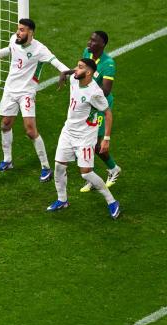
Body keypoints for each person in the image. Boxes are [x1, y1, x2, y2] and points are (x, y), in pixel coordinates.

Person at [0, 19, 70, 182]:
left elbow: (56, 62)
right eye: (18, 29)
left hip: (26, 92)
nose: (18, 33)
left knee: (30, 130)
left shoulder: (40, 49)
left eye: (22, 30)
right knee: (5, 124)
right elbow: (9, 49)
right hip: (10, 90)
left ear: (31, 32)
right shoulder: (14, 39)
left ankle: (46, 167)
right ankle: (7, 161)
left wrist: (67, 72)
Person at [47, 59, 120, 219]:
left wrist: (106, 138)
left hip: (85, 137)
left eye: (79, 67)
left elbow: (107, 113)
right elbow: (71, 72)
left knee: (86, 174)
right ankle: (62, 200)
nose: (75, 69)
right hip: (68, 132)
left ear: (88, 73)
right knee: (59, 166)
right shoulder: (75, 79)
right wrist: (64, 74)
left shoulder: (94, 92)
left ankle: (112, 201)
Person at [69, 31, 121, 192]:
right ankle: (90, 175)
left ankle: (113, 169)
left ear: (102, 44)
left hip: (99, 105)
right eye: (89, 39)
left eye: (93, 41)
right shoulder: (87, 53)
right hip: (87, 103)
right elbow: (82, 70)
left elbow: (105, 91)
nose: (89, 43)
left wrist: (87, 90)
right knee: (80, 142)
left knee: (95, 144)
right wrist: (69, 72)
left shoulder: (108, 64)